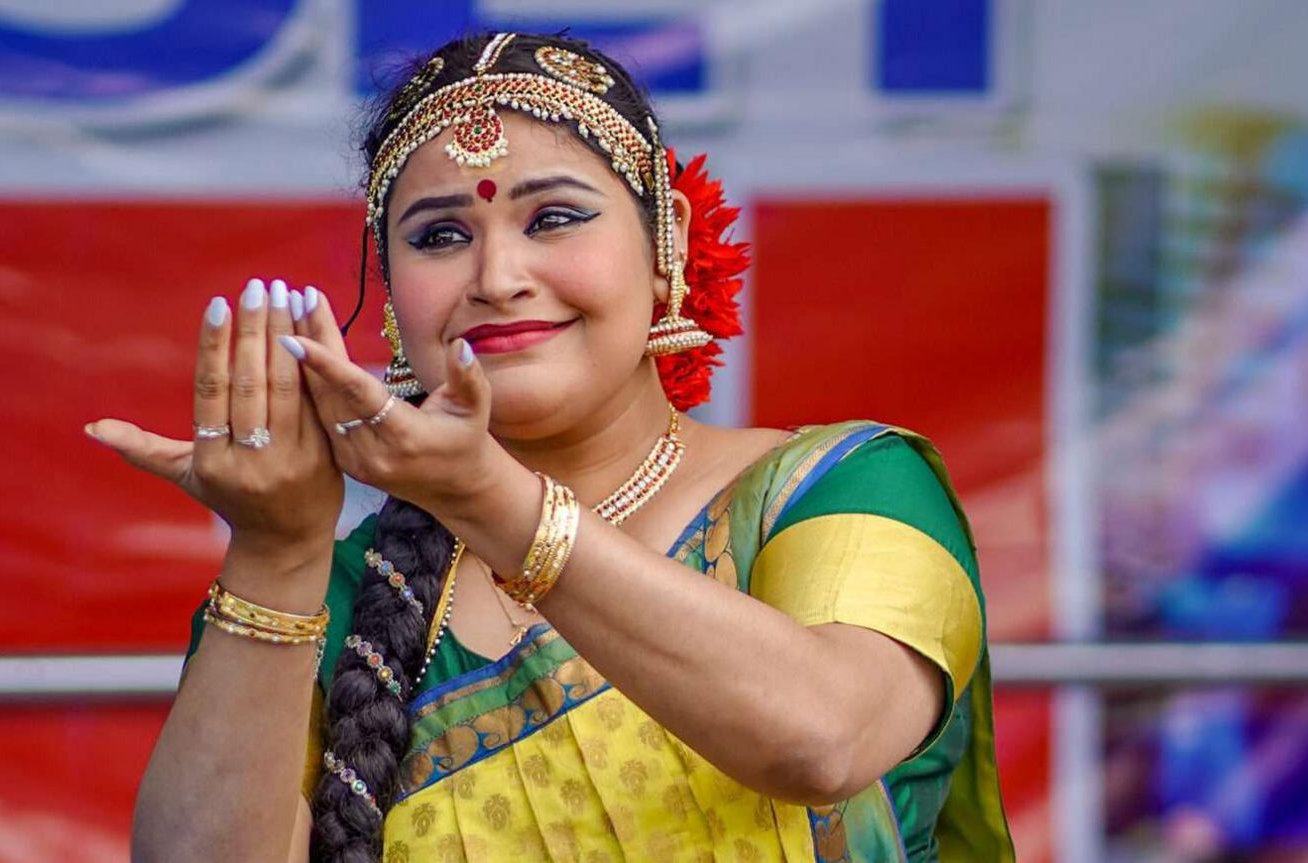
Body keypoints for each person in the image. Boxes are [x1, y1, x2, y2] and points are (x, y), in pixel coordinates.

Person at [111, 31, 1013, 862]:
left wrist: (490, 499)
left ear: (669, 247)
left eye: (554, 219)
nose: (499, 278)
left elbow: (821, 739)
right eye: (441, 236)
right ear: (392, 302)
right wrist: (273, 554)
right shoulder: (334, 591)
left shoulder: (838, 489)